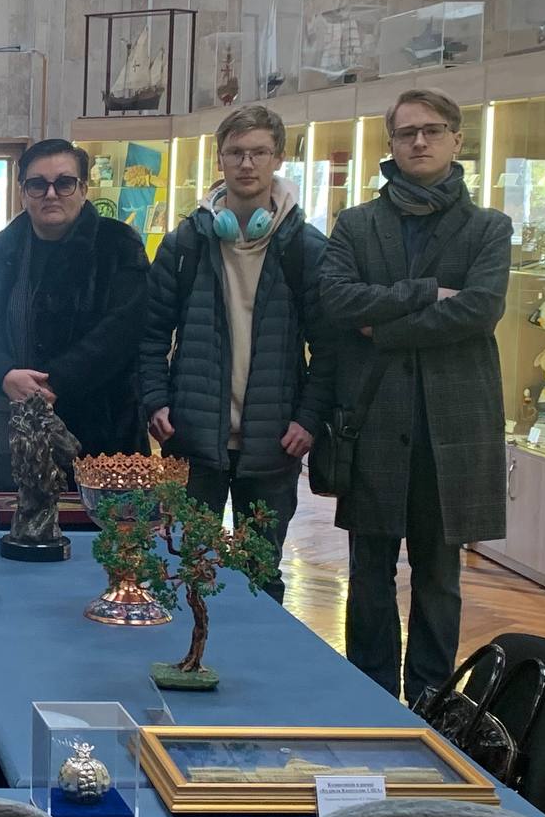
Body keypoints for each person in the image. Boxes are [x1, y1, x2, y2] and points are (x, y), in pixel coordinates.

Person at [317, 87, 511, 704]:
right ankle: (369, 697)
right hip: (373, 418)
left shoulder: (489, 228)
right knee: (368, 574)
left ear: (457, 139)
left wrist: (384, 328)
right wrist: (427, 292)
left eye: (432, 130)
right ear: (392, 144)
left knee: (439, 577)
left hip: (450, 427)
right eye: (407, 133)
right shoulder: (356, 224)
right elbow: (338, 300)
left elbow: (479, 311)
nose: (419, 142)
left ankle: (431, 702)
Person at [134, 105, 338, 599]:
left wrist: (308, 419)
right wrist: (155, 400)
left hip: (274, 439)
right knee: (188, 569)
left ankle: (260, 651)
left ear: (278, 159)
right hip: (194, 435)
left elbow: (331, 347)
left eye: (259, 153)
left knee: (262, 574)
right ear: (220, 159)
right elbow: (151, 333)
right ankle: (192, 647)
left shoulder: (307, 249)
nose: (247, 164)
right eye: (236, 153)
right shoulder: (186, 244)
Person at [0, 140, 148, 488]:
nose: (50, 194)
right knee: (0, 516)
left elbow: (122, 329)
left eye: (64, 183)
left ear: (84, 189)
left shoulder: (118, 245)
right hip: (3, 418)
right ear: (22, 192)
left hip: (97, 424)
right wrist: (2, 374)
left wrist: (55, 381)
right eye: (37, 184)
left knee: (94, 521)